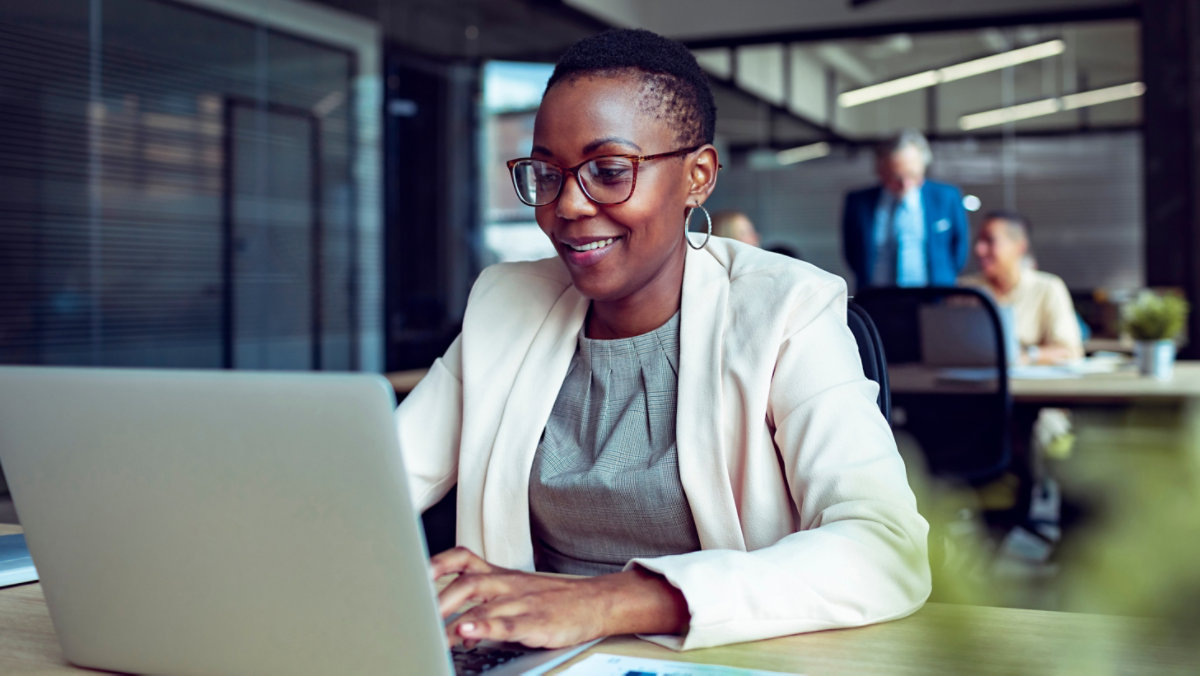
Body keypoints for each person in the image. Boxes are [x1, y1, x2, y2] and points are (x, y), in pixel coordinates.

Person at [395, 28, 930, 652]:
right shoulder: (504, 304)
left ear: (698, 176)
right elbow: (372, 487)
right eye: (547, 173)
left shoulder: (787, 307)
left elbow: (884, 546)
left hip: (720, 658)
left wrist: (607, 603)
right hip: (530, 660)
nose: (567, 205)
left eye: (610, 170)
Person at [841, 129, 969, 290]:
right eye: (897, 177)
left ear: (923, 168)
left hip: (934, 299)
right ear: (880, 171)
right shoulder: (859, 202)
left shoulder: (947, 197)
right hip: (876, 299)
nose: (905, 184)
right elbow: (852, 253)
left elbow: (959, 251)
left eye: (913, 175)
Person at [960, 211, 1083, 364]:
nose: (979, 249)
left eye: (990, 241)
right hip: (971, 384)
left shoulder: (1048, 288)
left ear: (1020, 247)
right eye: (979, 241)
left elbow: (1070, 350)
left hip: (1029, 385)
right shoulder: (965, 289)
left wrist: (1026, 356)